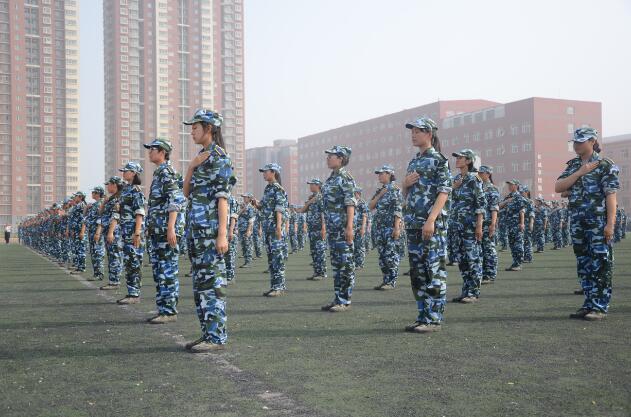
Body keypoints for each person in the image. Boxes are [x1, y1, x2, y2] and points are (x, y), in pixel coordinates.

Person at [182, 108, 235, 352]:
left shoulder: (219, 158)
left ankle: (216, 337)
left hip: (211, 232)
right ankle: (207, 334)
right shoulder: (200, 157)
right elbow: (185, 194)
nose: (191, 131)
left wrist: (222, 234)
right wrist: (191, 167)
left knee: (213, 284)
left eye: (195, 127)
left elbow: (223, 198)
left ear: (209, 129)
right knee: (200, 286)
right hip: (197, 232)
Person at [555, 127, 619, 321]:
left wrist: (610, 224)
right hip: (578, 223)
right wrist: (579, 173)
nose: (576, 145)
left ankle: (599, 306)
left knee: (600, 264)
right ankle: (588, 303)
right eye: (575, 141)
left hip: (598, 223)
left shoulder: (605, 165)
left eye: (581, 141)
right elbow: (558, 187)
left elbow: (611, 196)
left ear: (592, 141)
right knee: (584, 264)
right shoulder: (574, 164)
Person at [402, 117, 451, 333]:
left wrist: (431, 220)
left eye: (418, 131)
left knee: (434, 272)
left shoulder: (438, 160)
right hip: (413, 224)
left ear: (429, 134)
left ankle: (434, 319)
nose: (413, 134)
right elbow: (407, 194)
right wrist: (404, 184)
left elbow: (444, 192)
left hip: (431, 226)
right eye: (412, 131)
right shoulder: (413, 162)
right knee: (418, 273)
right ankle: (423, 316)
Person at [144, 138, 187, 324]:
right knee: (160, 270)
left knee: (167, 270)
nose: (149, 152)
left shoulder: (166, 173)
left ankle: (169, 311)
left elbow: (176, 200)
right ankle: (164, 308)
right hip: (158, 230)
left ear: (162, 151)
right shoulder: (159, 173)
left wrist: (171, 227)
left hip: (165, 230)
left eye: (152, 149)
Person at [320, 145, 356, 312]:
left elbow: (350, 203)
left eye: (331, 156)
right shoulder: (331, 179)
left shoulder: (345, 178)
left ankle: (345, 300)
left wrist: (349, 227)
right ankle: (338, 298)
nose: (328, 158)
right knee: (336, 265)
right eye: (328, 156)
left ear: (341, 158)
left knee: (345, 264)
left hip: (342, 228)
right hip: (333, 229)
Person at [450, 149, 485, 303]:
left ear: (469, 161)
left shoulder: (473, 179)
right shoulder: (457, 179)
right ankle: (466, 291)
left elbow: (480, 204)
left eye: (460, 157)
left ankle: (474, 292)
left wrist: (479, 225)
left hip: (470, 226)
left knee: (473, 259)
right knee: (462, 260)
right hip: (457, 226)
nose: (457, 159)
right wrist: (454, 188)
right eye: (457, 157)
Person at [251, 163, 288, 297]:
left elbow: (279, 209)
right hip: (268, 228)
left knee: (277, 258)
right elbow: (264, 207)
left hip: (275, 229)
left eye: (266, 171)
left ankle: (279, 287)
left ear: (274, 173)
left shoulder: (278, 189)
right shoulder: (268, 189)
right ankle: (275, 286)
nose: (264, 174)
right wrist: (256, 204)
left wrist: (279, 227)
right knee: (272, 259)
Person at [113, 161, 146, 304]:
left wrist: (137, 232)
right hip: (125, 231)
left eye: (126, 171)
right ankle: (131, 292)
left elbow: (140, 212)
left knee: (134, 262)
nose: (123, 173)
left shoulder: (136, 190)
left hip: (133, 231)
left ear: (133, 173)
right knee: (128, 262)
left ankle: (134, 294)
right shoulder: (126, 189)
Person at [369, 164, 403, 290]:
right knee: (382, 256)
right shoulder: (380, 190)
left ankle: (391, 281)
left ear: (389, 174)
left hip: (390, 227)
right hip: (379, 228)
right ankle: (385, 280)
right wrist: (380, 195)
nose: (379, 176)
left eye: (381, 173)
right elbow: (370, 207)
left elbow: (398, 209)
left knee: (391, 255)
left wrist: (397, 227)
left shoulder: (395, 189)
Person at [95, 176, 125, 290]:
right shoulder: (110, 198)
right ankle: (113, 280)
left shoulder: (118, 198)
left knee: (115, 256)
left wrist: (111, 232)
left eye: (109, 184)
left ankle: (115, 281)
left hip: (115, 231)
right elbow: (101, 213)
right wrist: (104, 202)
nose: (107, 186)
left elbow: (115, 217)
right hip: (108, 230)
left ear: (115, 185)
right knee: (111, 256)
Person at [296, 179, 328, 280]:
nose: (310, 186)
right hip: (312, 229)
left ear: (317, 185)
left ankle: (322, 273)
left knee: (320, 251)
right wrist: (309, 202)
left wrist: (323, 228)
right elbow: (303, 210)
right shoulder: (312, 198)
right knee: (314, 251)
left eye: (312, 184)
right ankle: (316, 272)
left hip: (319, 228)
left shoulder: (321, 198)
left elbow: (324, 213)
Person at [478, 166, 499, 285]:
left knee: (489, 248)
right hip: (479, 223)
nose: (479, 175)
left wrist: (493, 224)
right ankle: (484, 273)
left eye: (481, 173)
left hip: (488, 222)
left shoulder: (492, 189)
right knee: (481, 249)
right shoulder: (479, 187)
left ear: (488, 174)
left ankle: (490, 274)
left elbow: (494, 207)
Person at [499, 180, 525, 271]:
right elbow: (499, 206)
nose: (509, 186)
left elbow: (521, 211)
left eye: (511, 185)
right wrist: (506, 201)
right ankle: (515, 262)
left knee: (518, 243)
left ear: (516, 186)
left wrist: (521, 223)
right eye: (509, 185)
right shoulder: (508, 197)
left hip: (516, 224)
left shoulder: (518, 197)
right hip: (509, 224)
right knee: (512, 244)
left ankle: (519, 263)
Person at [85, 186, 106, 280]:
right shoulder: (95, 204)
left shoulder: (100, 204)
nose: (92, 194)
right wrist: (86, 208)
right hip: (92, 231)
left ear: (97, 193)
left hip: (97, 232)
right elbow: (85, 216)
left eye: (93, 192)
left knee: (98, 253)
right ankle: (96, 273)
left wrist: (98, 233)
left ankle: (100, 274)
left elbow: (101, 219)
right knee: (94, 253)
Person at [237, 193, 256, 268]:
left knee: (247, 245)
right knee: (244, 246)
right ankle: (246, 261)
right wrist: (242, 210)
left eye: (245, 197)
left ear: (249, 198)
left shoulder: (250, 207)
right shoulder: (243, 206)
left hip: (246, 229)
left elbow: (251, 220)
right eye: (243, 197)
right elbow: (237, 214)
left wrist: (249, 230)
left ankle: (248, 262)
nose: (244, 198)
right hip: (241, 228)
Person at [353, 187, 368, 269]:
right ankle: (355, 263)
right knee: (354, 246)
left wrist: (363, 227)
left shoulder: (362, 203)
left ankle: (360, 263)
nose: (354, 194)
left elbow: (365, 216)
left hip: (359, 226)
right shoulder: (352, 202)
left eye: (355, 193)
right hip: (353, 227)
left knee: (360, 245)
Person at [520, 186, 535, 263]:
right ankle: (524, 256)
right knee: (522, 241)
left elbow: (532, 213)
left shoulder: (529, 202)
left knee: (527, 241)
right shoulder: (521, 201)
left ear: (527, 192)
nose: (521, 193)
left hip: (527, 223)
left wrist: (531, 223)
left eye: (522, 192)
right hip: (521, 224)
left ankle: (528, 257)